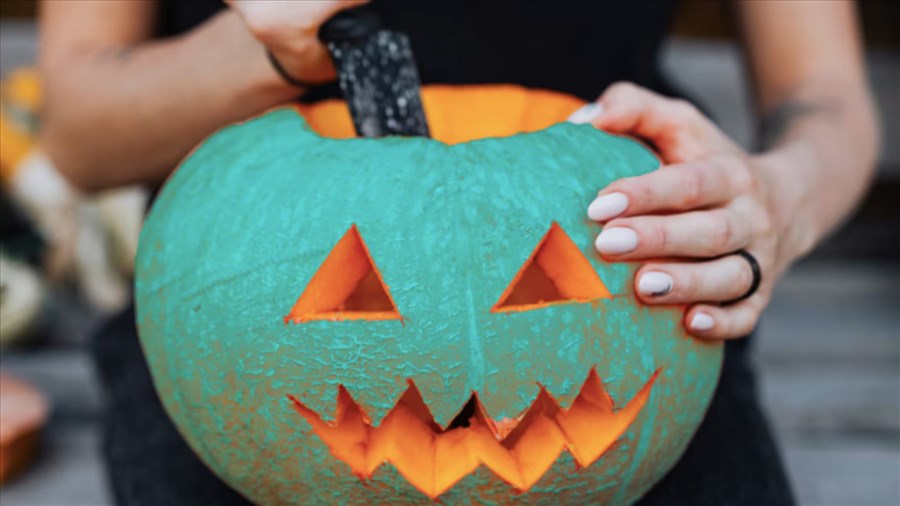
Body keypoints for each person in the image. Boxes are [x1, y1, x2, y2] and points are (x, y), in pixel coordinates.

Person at [39, 1, 879, 505]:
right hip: (244, 327)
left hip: (634, 299)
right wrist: (255, 46)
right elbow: (79, 135)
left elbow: (825, 100)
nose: (458, 379)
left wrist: (779, 193)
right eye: (362, 290)